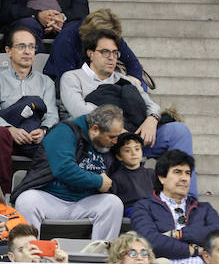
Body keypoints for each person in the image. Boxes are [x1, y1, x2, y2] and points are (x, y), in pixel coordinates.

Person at [60, 29, 196, 195]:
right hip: (100, 141)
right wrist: (115, 129)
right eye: (105, 52)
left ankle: (186, 200)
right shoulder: (72, 78)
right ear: (90, 53)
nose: (112, 57)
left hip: (136, 137)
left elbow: (152, 106)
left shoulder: (126, 80)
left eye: (115, 53)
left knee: (178, 131)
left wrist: (152, 120)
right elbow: (78, 110)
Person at [11, 104, 126, 241]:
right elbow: (64, 169)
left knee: (113, 204)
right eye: (112, 137)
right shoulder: (64, 131)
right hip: (52, 198)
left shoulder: (105, 142)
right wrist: (99, 181)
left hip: (84, 201)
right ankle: (30, 257)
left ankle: (101, 257)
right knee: (26, 201)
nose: (115, 141)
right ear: (95, 129)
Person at [0, 26, 58, 193]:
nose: (28, 51)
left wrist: (43, 130)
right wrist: (11, 130)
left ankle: (32, 189)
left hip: (34, 136)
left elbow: (51, 115)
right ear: (9, 51)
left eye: (31, 47)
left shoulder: (46, 82)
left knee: (58, 139)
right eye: (21, 46)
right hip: (6, 138)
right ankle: (4, 193)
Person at [129, 150, 219, 264]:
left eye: (188, 173)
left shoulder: (204, 208)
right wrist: (193, 250)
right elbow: (149, 241)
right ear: (162, 178)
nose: (184, 178)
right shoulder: (144, 207)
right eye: (177, 172)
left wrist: (178, 234)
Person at [42, 7, 144, 86]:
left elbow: (134, 64)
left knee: (139, 86)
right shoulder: (65, 41)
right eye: (105, 49)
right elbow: (68, 83)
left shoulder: (110, 35)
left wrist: (132, 84)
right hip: (64, 85)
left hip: (102, 83)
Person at [107, 133, 156, 214]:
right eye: (127, 150)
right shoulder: (117, 177)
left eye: (137, 149)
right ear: (119, 156)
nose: (133, 153)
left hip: (152, 207)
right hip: (132, 209)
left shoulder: (151, 174)